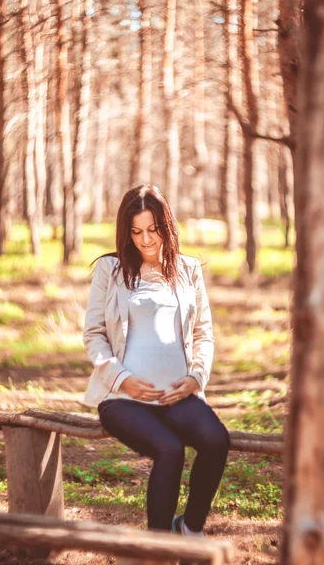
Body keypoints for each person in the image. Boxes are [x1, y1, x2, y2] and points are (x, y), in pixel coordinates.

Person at [82, 183, 230, 539]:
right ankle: (159, 550)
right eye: (136, 232)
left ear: (167, 227)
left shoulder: (188, 269)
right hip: (123, 399)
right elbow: (94, 335)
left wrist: (197, 377)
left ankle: (190, 530)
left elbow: (203, 333)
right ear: (126, 232)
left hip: (176, 396)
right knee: (170, 449)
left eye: (153, 230)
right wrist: (121, 378)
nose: (145, 240)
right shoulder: (111, 270)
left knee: (216, 440)